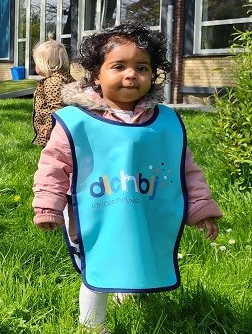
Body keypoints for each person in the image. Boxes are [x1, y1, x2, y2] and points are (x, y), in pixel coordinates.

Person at [31, 23, 222, 332]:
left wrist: (200, 209)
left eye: (142, 67)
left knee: (133, 247)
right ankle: (93, 325)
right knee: (99, 263)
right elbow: (54, 165)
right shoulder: (77, 122)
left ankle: (127, 290)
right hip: (94, 214)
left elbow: (184, 169)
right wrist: (48, 206)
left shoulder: (164, 123)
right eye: (118, 66)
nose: (131, 74)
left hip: (142, 209)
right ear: (95, 74)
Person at [31, 40, 74, 146]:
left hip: (53, 131)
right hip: (63, 128)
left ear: (44, 63)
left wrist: (49, 126)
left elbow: (57, 108)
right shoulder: (65, 77)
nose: (35, 66)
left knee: (54, 154)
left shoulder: (53, 82)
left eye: (36, 62)